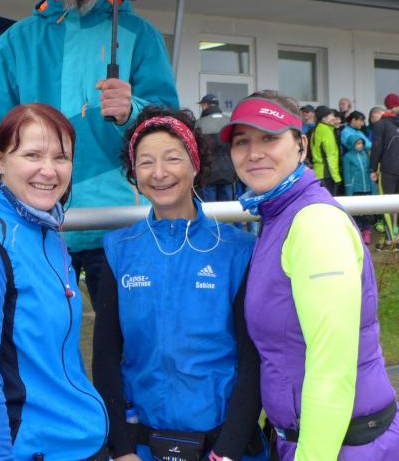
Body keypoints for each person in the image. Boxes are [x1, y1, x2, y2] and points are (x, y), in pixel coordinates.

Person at [0, 0, 178, 306]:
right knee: (39, 332)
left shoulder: (141, 36)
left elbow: (170, 127)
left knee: (126, 337)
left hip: (122, 221)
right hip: (36, 219)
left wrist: (132, 110)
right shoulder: (16, 41)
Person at [224, 91, 399, 459]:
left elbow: (332, 367)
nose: (254, 153)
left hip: (343, 445)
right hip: (306, 438)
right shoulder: (278, 215)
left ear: (301, 145)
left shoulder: (314, 223)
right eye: (242, 141)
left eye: (269, 138)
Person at [93, 108, 267, 461]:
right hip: (143, 447)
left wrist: (227, 452)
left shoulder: (237, 250)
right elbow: (106, 356)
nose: (159, 173)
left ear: (195, 164)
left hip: (223, 447)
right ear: (134, 172)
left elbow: (253, 360)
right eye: (145, 162)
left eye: (172, 158)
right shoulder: (119, 249)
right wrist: (122, 449)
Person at [0, 103, 109, 460]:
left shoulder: (48, 230)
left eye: (61, 157)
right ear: (0, 161)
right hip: (30, 450)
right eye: (32, 155)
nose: (49, 170)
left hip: (81, 441)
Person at [196, 92, 237, 202]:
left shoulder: (199, 123)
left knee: (209, 209)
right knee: (228, 209)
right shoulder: (230, 122)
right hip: (228, 172)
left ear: (205, 105)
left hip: (207, 173)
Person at [370, 92, 399, 237]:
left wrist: (373, 168)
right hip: (392, 168)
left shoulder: (381, 124)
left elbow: (377, 148)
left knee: (387, 202)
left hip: (388, 170)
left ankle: (391, 239)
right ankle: (396, 234)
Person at [343, 136, 376, 244]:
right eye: (357, 143)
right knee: (356, 213)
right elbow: (347, 174)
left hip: (367, 188)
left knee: (367, 212)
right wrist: (349, 190)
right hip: (355, 189)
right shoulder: (347, 157)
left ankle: (366, 233)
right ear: (352, 144)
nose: (360, 145)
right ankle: (357, 232)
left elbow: (370, 172)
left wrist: (373, 188)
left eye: (361, 143)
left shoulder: (366, 155)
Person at [310, 104, 341, 193]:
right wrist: (336, 177)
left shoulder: (317, 129)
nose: (333, 118)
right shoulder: (325, 130)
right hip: (327, 174)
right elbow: (330, 156)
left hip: (318, 172)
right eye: (331, 116)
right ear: (324, 118)